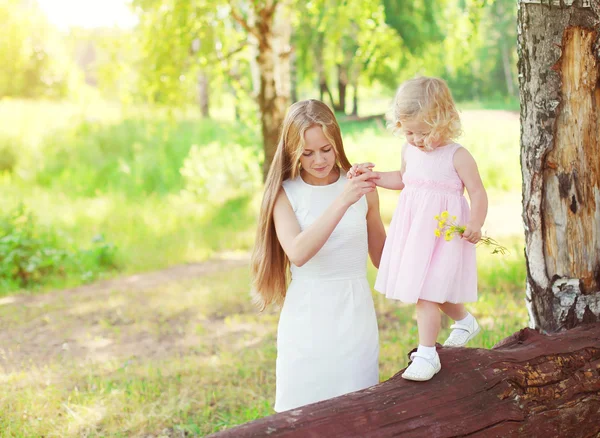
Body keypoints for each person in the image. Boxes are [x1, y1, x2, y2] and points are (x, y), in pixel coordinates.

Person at [250, 99, 387, 411]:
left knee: (356, 411)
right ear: (292, 150)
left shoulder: (361, 187)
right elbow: (298, 252)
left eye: (326, 148)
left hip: (354, 315)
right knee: (300, 414)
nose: (319, 159)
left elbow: (382, 258)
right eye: (307, 153)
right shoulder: (285, 193)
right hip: (306, 318)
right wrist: (343, 199)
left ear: (336, 140)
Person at [349, 76, 488, 382]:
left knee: (428, 291)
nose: (414, 139)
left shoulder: (457, 156)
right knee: (430, 288)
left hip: (444, 234)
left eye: (423, 132)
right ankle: (464, 321)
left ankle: (427, 354)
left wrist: (475, 223)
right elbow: (403, 179)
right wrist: (372, 177)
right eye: (408, 131)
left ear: (443, 123)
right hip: (416, 233)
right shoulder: (409, 151)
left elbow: (477, 192)